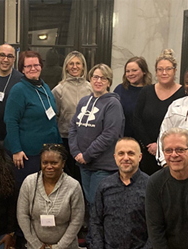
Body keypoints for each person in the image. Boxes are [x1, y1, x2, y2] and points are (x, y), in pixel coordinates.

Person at [84, 138, 154, 249]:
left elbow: (158, 231)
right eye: (121, 153)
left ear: (140, 157)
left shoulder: (151, 187)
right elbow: (95, 223)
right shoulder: (104, 185)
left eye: (131, 153)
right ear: (115, 157)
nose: (126, 158)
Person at [17, 144, 84, 249]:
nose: (49, 167)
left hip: (64, 246)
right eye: (45, 163)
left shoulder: (73, 186)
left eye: (54, 163)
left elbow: (77, 220)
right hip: (37, 245)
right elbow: (22, 215)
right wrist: (36, 245)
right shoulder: (29, 182)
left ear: (63, 163)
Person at [69, 63, 124, 223]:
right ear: (90, 79)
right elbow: (73, 127)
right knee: (89, 203)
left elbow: (110, 134)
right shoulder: (84, 101)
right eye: (95, 77)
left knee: (98, 204)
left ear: (109, 81)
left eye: (103, 78)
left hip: (103, 166)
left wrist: (87, 155)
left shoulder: (113, 104)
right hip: (84, 164)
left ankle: (100, 240)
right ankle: (93, 238)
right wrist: (76, 153)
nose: (98, 81)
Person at [4, 50, 63, 188]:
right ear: (22, 70)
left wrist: (59, 145)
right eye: (28, 66)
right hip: (26, 155)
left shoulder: (45, 86)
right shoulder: (18, 90)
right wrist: (16, 150)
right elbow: (11, 121)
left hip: (46, 152)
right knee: (26, 192)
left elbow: (52, 117)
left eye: (36, 65)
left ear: (41, 66)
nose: (33, 69)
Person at [133, 49, 186, 175]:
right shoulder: (146, 92)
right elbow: (137, 119)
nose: (164, 73)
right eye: (160, 69)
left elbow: (185, 123)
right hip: (147, 151)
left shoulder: (184, 93)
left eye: (168, 69)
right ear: (156, 72)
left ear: (175, 70)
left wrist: (162, 147)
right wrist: (148, 144)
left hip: (174, 153)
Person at [51, 50, 92, 179]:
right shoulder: (59, 89)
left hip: (87, 139)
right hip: (66, 138)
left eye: (78, 63)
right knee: (68, 175)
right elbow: (54, 115)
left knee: (84, 175)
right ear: (66, 67)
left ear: (83, 66)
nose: (75, 67)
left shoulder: (91, 88)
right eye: (71, 64)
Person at [113, 57, 152, 138]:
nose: (130, 74)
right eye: (127, 71)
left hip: (144, 140)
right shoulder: (119, 89)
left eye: (134, 70)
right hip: (122, 138)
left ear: (144, 71)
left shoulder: (151, 91)